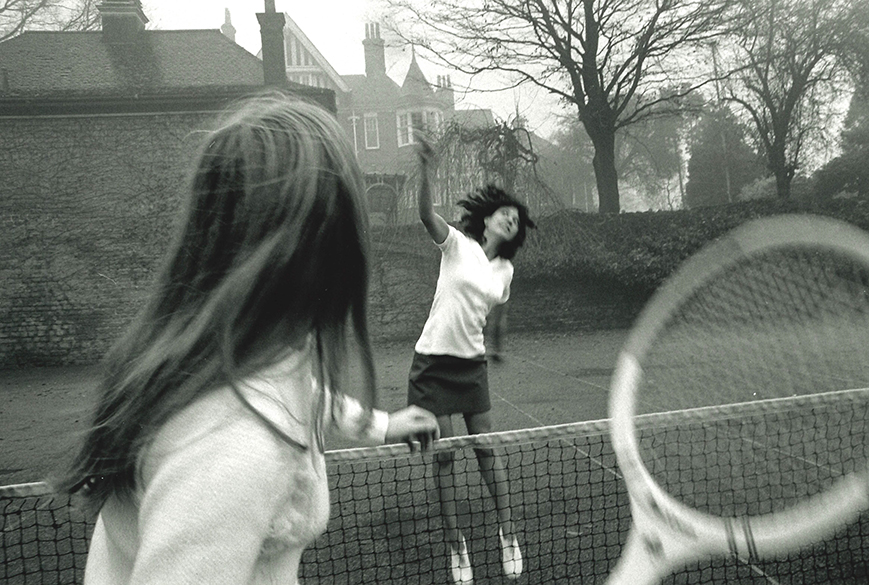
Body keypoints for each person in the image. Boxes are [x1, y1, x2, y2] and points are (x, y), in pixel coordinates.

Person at [52, 94, 440, 585]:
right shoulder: (233, 448)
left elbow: (304, 395)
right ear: (329, 249)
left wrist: (381, 424)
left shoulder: (217, 359)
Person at [407, 135, 535, 584]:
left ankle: (508, 533)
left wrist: (497, 345)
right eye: (506, 212)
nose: (511, 218)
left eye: (516, 220)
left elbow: (497, 310)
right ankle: (456, 546)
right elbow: (425, 215)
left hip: (470, 366)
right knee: (444, 457)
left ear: (514, 233)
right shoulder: (457, 245)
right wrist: (426, 169)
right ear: (489, 218)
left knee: (484, 449)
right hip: (432, 364)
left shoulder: (506, 272)